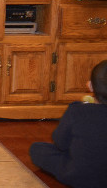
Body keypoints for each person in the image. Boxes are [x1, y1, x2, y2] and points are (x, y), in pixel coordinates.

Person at [29, 60, 107, 188]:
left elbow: (60, 143)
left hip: (77, 176)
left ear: (90, 86)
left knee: (37, 148)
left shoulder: (77, 110)